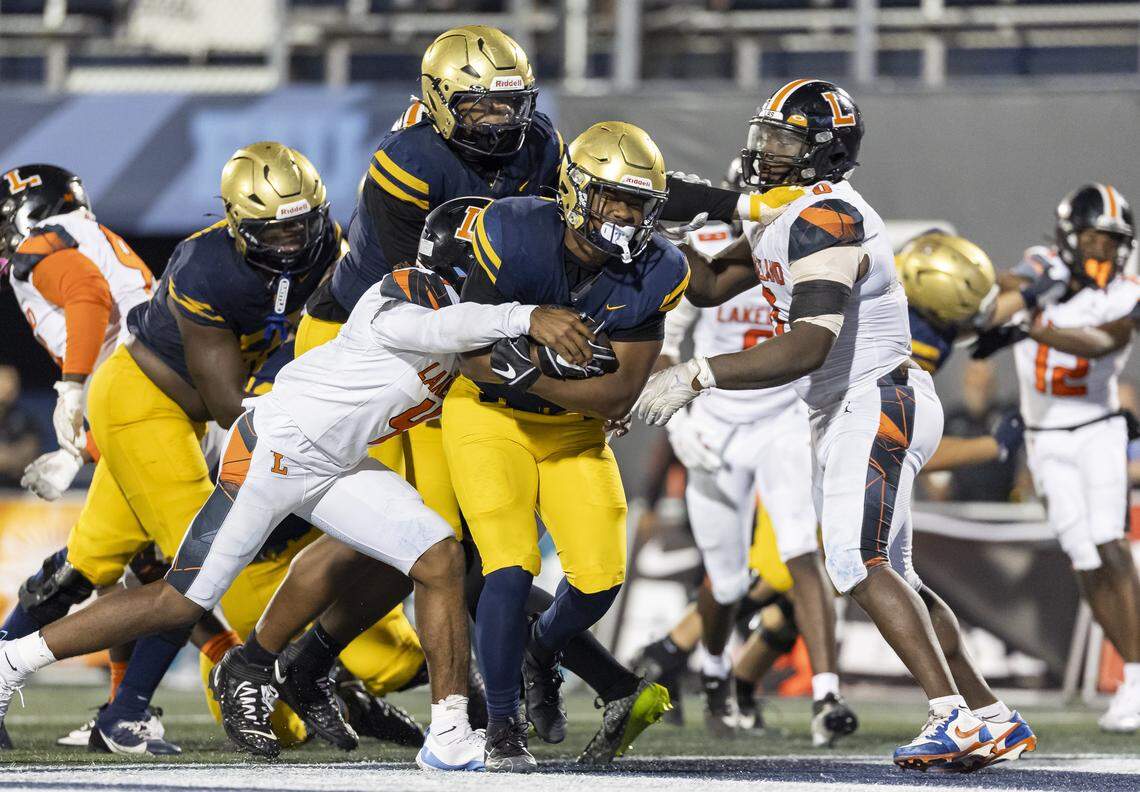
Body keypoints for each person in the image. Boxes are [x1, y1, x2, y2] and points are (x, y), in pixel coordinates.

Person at [0, 240, 591, 772]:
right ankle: (14, 661)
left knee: (438, 558)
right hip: (274, 451)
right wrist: (525, 316)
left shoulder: (466, 324)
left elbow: (503, 370)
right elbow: (450, 330)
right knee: (178, 604)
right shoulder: (399, 298)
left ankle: (450, 733)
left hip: (336, 464)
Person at [634, 79, 1034, 772]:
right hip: (859, 404)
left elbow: (806, 346)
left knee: (855, 563)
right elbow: (706, 286)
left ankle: (951, 719)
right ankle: (992, 716)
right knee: (894, 571)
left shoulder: (828, 218)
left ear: (824, 152)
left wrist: (699, 374)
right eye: (765, 134)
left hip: (875, 398)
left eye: (785, 139)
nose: (765, 150)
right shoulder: (789, 214)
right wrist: (658, 238)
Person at [0, 144, 337, 754]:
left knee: (102, 567)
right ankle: (124, 710)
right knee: (185, 567)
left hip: (145, 400)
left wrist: (71, 390)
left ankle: (118, 708)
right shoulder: (90, 235)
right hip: (150, 402)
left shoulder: (43, 244)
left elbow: (85, 297)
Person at [643, 156, 855, 744]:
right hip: (714, 418)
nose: (762, 201)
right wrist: (678, 420)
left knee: (799, 550)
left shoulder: (804, 241)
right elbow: (671, 336)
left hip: (782, 415)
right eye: (754, 192)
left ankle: (826, 693)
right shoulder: (713, 242)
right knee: (728, 581)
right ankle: (714, 675)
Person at [1006, 184, 1140, 732]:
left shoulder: (1125, 292)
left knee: (1109, 540)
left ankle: (1136, 676)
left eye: (1113, 241)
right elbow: (1002, 289)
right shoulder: (1041, 269)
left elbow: (1101, 342)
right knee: (1084, 556)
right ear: (1070, 236)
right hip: (1045, 439)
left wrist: (1033, 324)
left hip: (1097, 430)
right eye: (1094, 238)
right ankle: (1134, 673)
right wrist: (1030, 292)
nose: (1104, 251)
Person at [0, 366, 40, 488]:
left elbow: (30, 454)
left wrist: (7, 458)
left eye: (12, 381)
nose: (8, 387)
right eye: (3, 380)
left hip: (16, 491)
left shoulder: (24, 417)